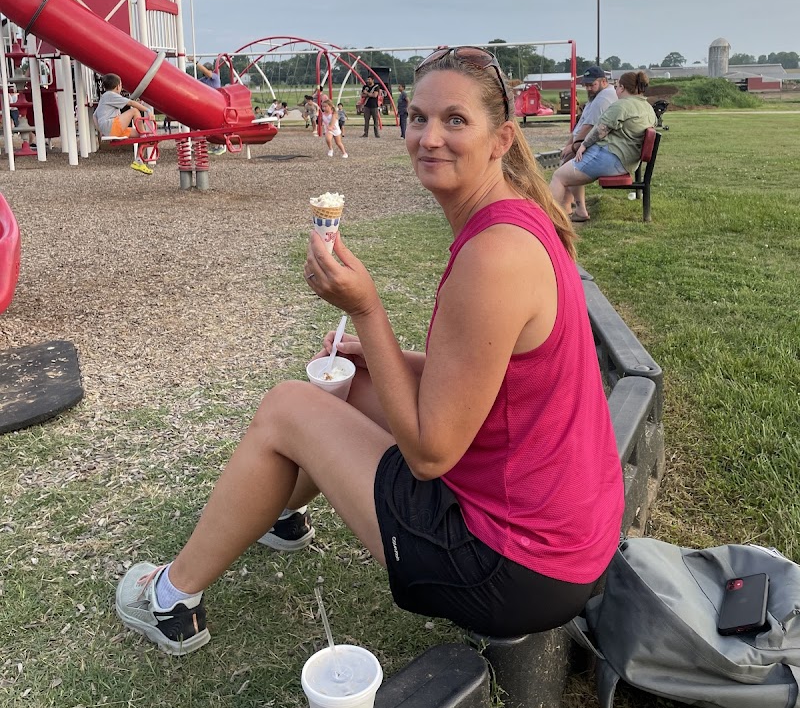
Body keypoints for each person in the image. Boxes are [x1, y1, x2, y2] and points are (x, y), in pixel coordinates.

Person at [115, 45, 624, 654]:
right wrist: (381, 359)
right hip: (566, 535)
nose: (429, 138)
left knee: (287, 405)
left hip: (514, 568)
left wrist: (366, 310)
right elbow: (501, 382)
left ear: (501, 139)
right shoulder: (518, 219)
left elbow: (432, 453)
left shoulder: (495, 256)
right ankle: (278, 509)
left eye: (455, 120)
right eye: (417, 117)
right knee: (346, 384)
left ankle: (169, 599)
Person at [550, 70, 657, 222]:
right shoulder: (647, 107)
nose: (615, 90)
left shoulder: (621, 106)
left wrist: (583, 145)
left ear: (622, 87)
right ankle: (579, 211)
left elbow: (600, 129)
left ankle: (550, 220)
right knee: (570, 164)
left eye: (617, 86)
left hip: (612, 159)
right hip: (628, 160)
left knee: (559, 177)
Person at [93, 73, 156, 176]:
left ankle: (139, 161)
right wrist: (148, 110)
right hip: (112, 126)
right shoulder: (111, 95)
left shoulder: (104, 98)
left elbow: (94, 116)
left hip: (111, 128)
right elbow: (131, 103)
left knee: (141, 135)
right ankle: (144, 136)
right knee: (134, 111)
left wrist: (102, 132)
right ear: (118, 86)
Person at [560, 67, 616, 164]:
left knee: (560, 177)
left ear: (604, 81)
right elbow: (581, 124)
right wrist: (568, 145)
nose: (588, 88)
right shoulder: (596, 96)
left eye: (592, 85)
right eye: (586, 85)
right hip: (584, 144)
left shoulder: (603, 98)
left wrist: (573, 147)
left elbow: (589, 126)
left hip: (592, 147)